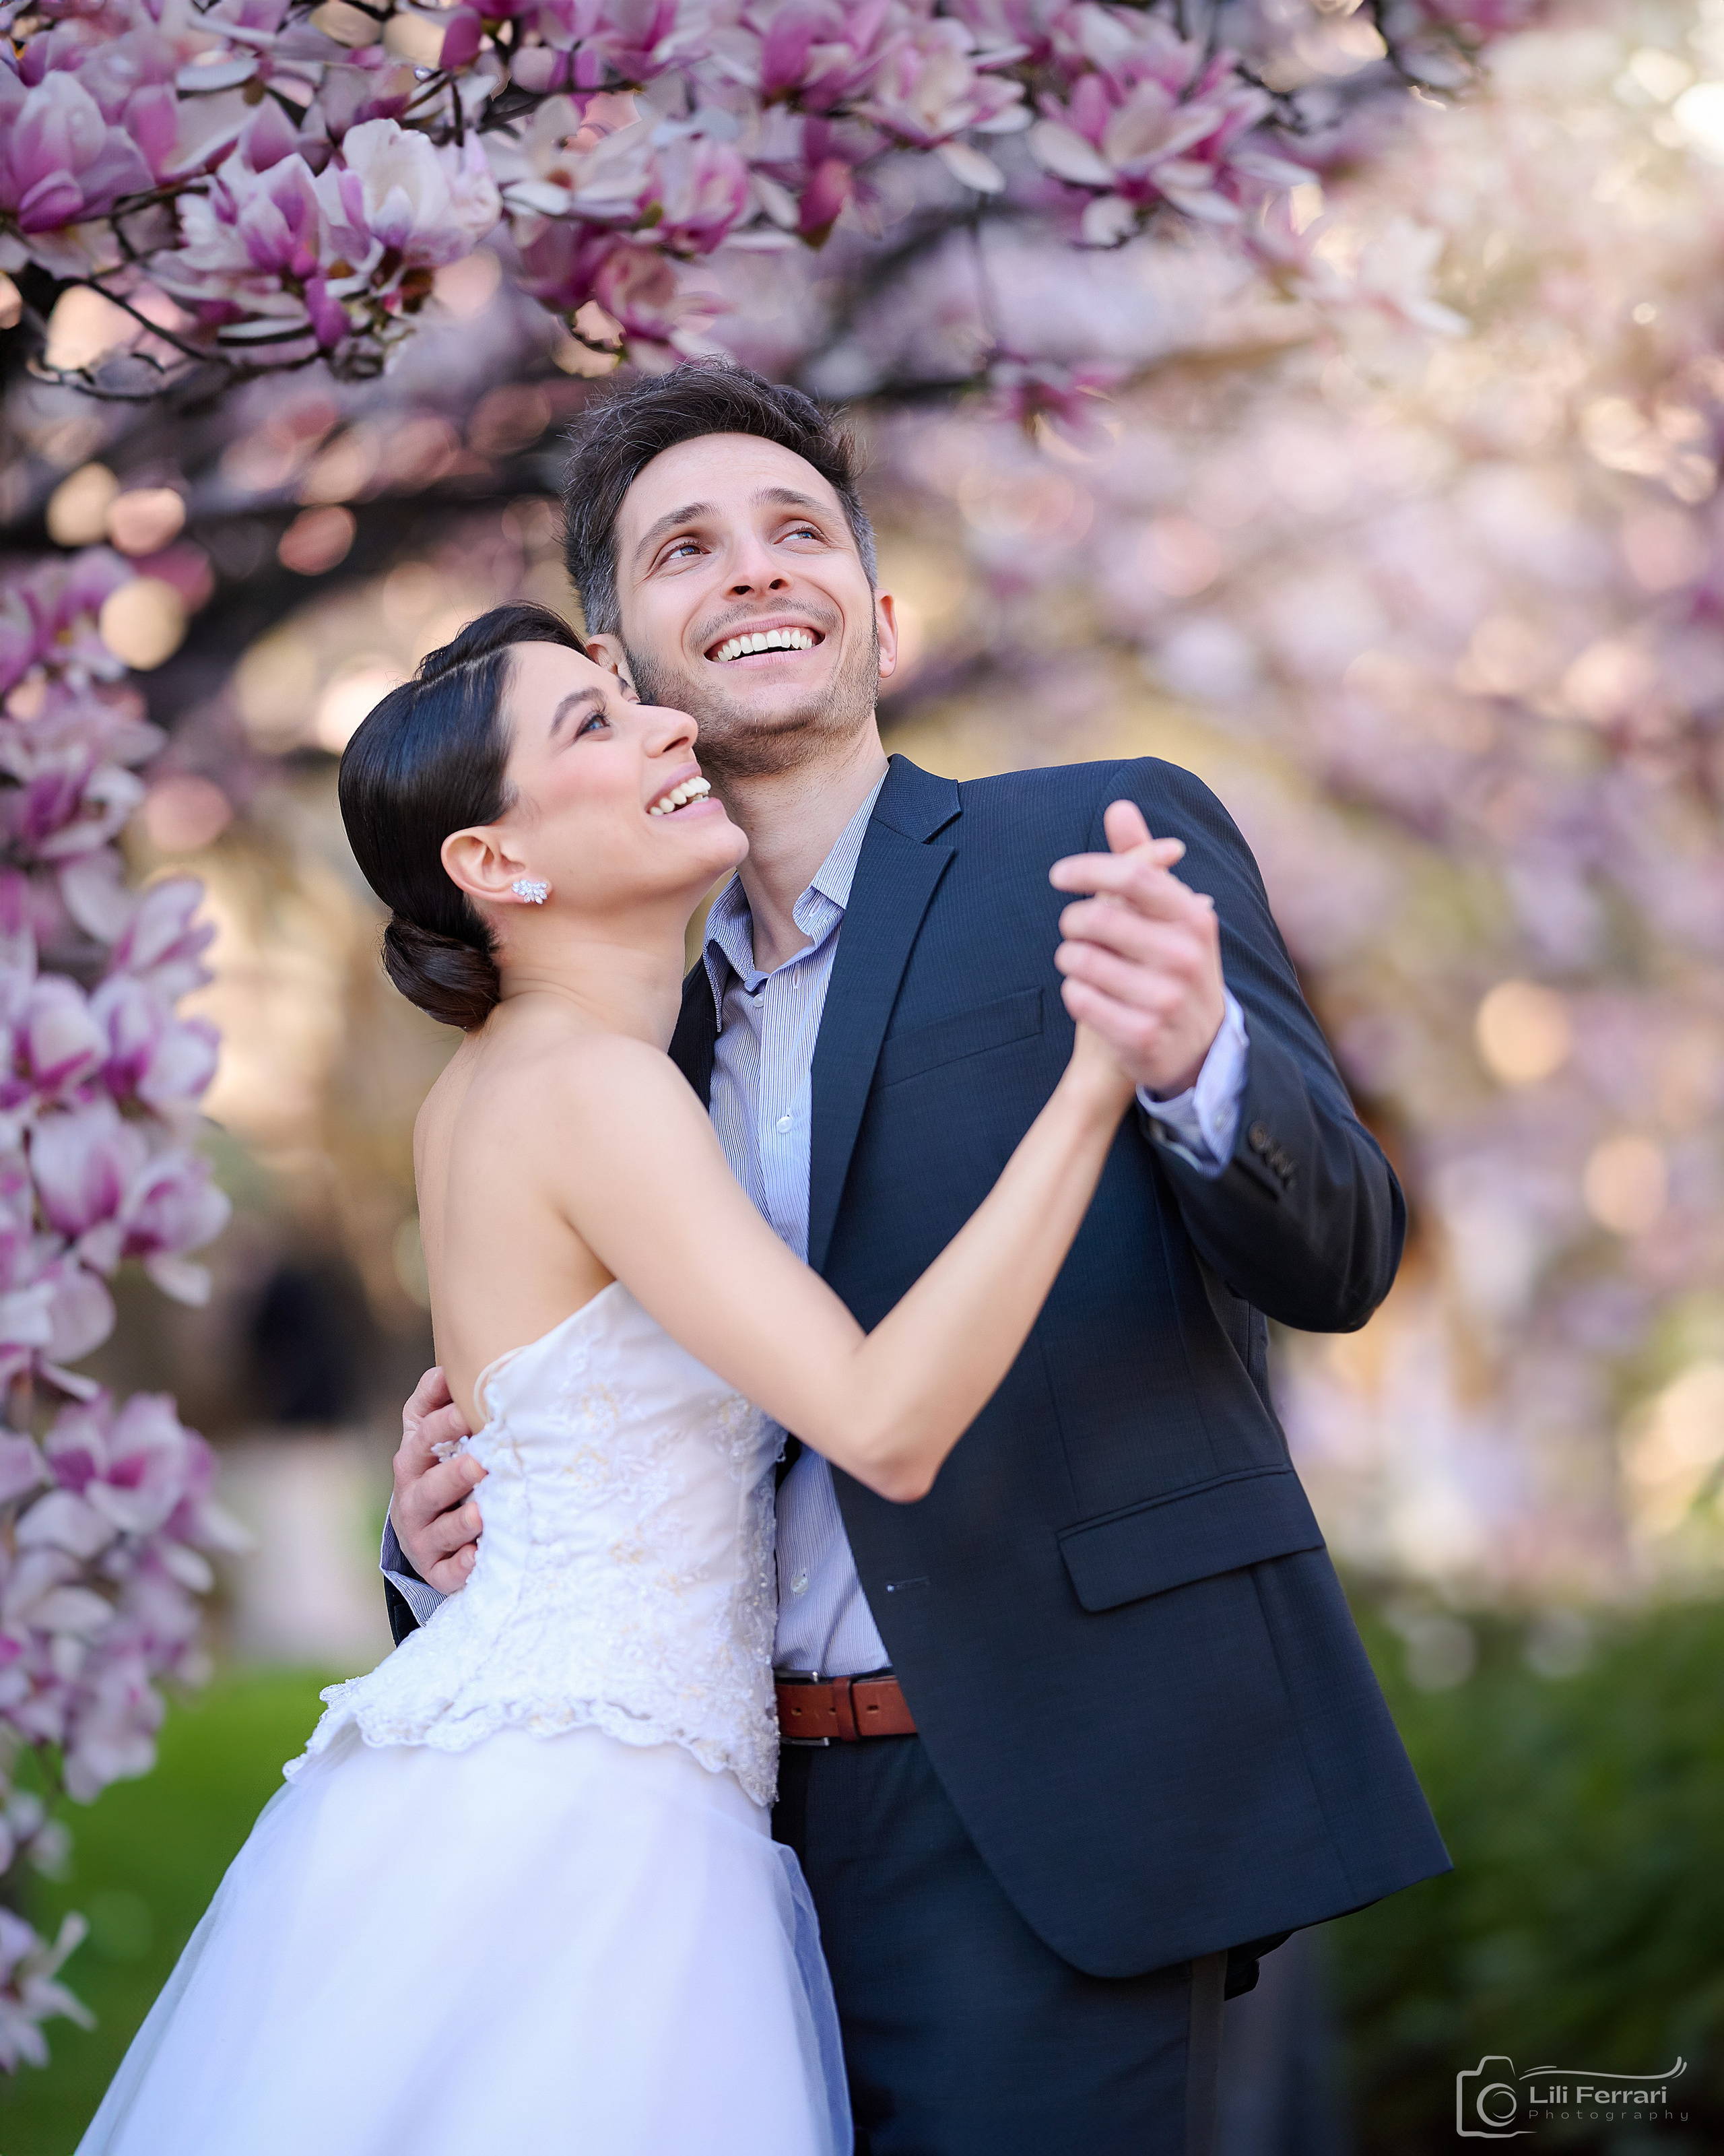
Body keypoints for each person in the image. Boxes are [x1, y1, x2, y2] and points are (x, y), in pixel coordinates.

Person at [387, 364, 1451, 2156]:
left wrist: (1194, 1064)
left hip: (1048, 1792)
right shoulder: (600, 1011)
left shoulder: (1097, 847)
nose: (758, 571)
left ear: (878, 612)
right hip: (697, 1836)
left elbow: (1341, 1256)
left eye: (801, 532)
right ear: (621, 668)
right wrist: (432, 1549)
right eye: (686, 550)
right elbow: (558, 1389)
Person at [77, 605, 1143, 2156]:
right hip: (592, 1824)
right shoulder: (590, 1086)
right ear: (495, 865)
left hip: (539, 1775)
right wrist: (1095, 1087)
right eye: (594, 724)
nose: (667, 729)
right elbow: (880, 1419)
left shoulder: (498, 1085)